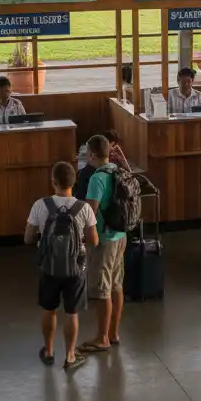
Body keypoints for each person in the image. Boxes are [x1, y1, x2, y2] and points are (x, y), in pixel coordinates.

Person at [25, 161, 98, 371]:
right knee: (72, 312)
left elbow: (28, 237)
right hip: (75, 269)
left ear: (53, 182)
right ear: (74, 183)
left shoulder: (41, 205)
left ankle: (48, 351)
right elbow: (93, 240)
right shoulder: (83, 208)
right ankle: (70, 356)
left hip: (48, 267)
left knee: (49, 309)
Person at [81, 134, 126, 354]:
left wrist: (82, 237)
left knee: (102, 289)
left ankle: (102, 337)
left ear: (91, 154)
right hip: (120, 235)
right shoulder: (117, 171)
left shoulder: (96, 178)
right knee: (116, 285)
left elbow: (90, 212)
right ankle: (113, 332)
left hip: (104, 240)